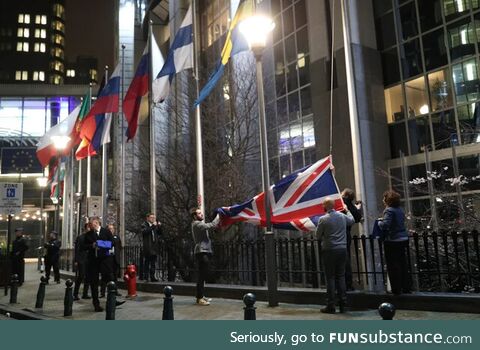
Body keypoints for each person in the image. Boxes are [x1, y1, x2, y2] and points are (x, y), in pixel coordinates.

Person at [316, 198, 354, 314]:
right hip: (342, 249)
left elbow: (318, 235)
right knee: (341, 276)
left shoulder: (323, 219)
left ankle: (331, 305)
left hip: (329, 250)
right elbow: (352, 220)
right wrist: (347, 210)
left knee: (330, 278)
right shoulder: (342, 217)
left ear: (325, 206)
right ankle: (343, 304)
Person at [377, 190, 411, 295]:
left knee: (393, 265)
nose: (383, 200)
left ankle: (396, 289)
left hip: (393, 240)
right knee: (402, 263)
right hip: (403, 238)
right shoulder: (400, 210)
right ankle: (406, 287)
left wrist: (379, 222)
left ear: (388, 200)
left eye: (384, 198)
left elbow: (386, 225)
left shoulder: (389, 210)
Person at [82, 216, 115, 312]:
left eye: (91, 224)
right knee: (94, 282)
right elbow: (83, 246)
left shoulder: (106, 231)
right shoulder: (88, 234)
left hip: (105, 260)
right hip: (93, 261)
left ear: (96, 223)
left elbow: (112, 243)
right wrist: (91, 245)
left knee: (109, 279)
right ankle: (96, 303)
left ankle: (112, 299)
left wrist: (101, 244)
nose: (90, 226)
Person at [190, 208, 220, 306]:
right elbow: (211, 225)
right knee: (202, 275)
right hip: (201, 252)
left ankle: (201, 296)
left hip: (204, 251)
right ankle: (199, 298)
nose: (201, 214)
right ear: (195, 216)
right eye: (199, 213)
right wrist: (219, 216)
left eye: (201, 212)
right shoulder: (197, 224)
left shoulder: (199, 224)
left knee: (203, 275)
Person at [341, 188, 363, 291]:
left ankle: (340, 283)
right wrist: (357, 208)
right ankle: (348, 283)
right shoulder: (349, 205)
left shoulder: (340, 203)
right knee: (346, 259)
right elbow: (357, 218)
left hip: (337, 233)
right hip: (346, 234)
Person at [141, 213, 162, 282]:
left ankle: (152, 277)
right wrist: (153, 226)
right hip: (148, 247)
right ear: (147, 218)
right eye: (151, 217)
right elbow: (145, 232)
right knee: (147, 262)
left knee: (153, 263)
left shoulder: (154, 226)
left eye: (154, 218)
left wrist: (159, 227)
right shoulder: (144, 225)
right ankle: (146, 277)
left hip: (154, 247)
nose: (153, 219)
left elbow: (160, 233)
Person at [101, 224, 122, 297]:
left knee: (115, 276)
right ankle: (102, 293)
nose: (111, 230)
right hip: (107, 259)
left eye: (112, 228)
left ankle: (115, 290)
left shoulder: (117, 237)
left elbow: (119, 247)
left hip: (115, 258)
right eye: (109, 229)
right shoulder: (104, 238)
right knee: (105, 276)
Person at [73, 223, 91, 301]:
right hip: (81, 259)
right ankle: (75, 293)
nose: (90, 229)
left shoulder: (92, 237)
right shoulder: (80, 237)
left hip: (89, 259)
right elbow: (77, 249)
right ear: (85, 228)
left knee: (88, 277)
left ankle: (85, 293)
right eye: (88, 227)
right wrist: (76, 260)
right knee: (81, 276)